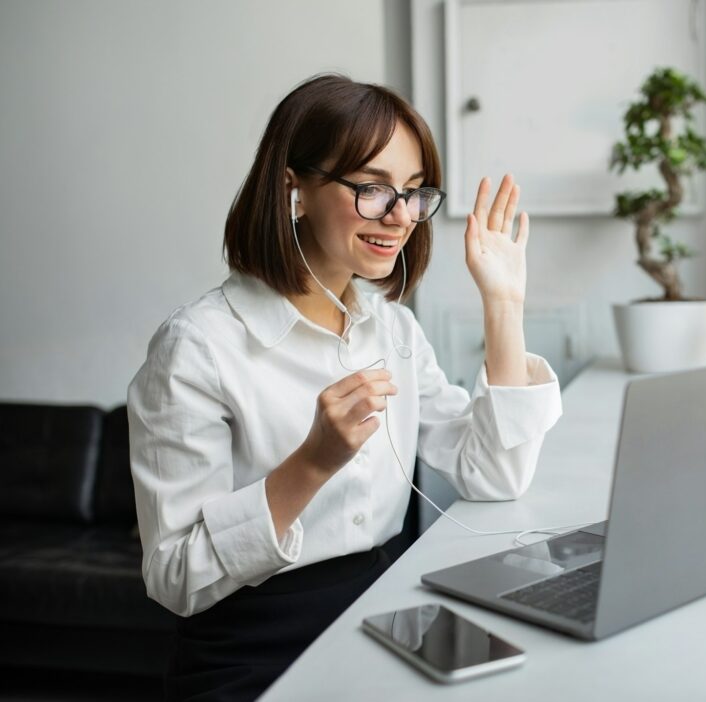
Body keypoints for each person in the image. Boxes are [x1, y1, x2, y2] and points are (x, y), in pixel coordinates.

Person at [126, 73, 562, 702]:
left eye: (413, 192)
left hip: (388, 616)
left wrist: (504, 303)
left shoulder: (394, 329)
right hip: (254, 649)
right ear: (294, 188)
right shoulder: (196, 348)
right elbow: (173, 576)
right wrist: (311, 464)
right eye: (373, 188)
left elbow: (493, 474)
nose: (402, 216)